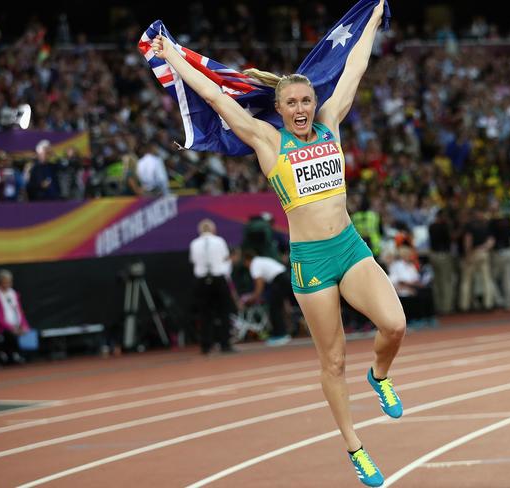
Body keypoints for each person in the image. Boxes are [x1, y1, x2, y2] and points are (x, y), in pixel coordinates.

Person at [152, 2, 404, 485]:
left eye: (306, 101)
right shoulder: (268, 142)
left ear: (314, 102)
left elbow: (354, 66)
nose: (301, 109)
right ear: (280, 108)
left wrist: (372, 19)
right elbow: (216, 97)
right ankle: (356, 447)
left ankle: (381, 374)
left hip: (350, 247)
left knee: (394, 324)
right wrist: (174, 57)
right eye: (291, 104)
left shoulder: (331, 122)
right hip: (311, 261)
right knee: (332, 359)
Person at [189, 219, 236, 354]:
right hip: (219, 279)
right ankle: (225, 344)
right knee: (224, 312)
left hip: (201, 280)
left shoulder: (194, 243)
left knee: (205, 314)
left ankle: (206, 346)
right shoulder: (219, 241)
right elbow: (225, 259)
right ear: (213, 230)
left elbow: (193, 261)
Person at [241, 249, 294, 345]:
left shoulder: (254, 264)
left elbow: (259, 283)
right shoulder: (260, 260)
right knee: (277, 307)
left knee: (274, 309)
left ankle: (281, 335)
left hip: (280, 280)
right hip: (284, 278)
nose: (246, 266)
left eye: (245, 264)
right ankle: (282, 333)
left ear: (247, 260)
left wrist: (253, 297)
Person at [0, 269, 31, 363]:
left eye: (9, 282)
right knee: (10, 336)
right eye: (4, 282)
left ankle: (22, 356)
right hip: (3, 328)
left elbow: (19, 311)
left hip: (17, 326)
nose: (7, 284)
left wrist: (24, 326)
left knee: (29, 333)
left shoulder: (13, 293)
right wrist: (11, 328)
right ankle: (12, 356)